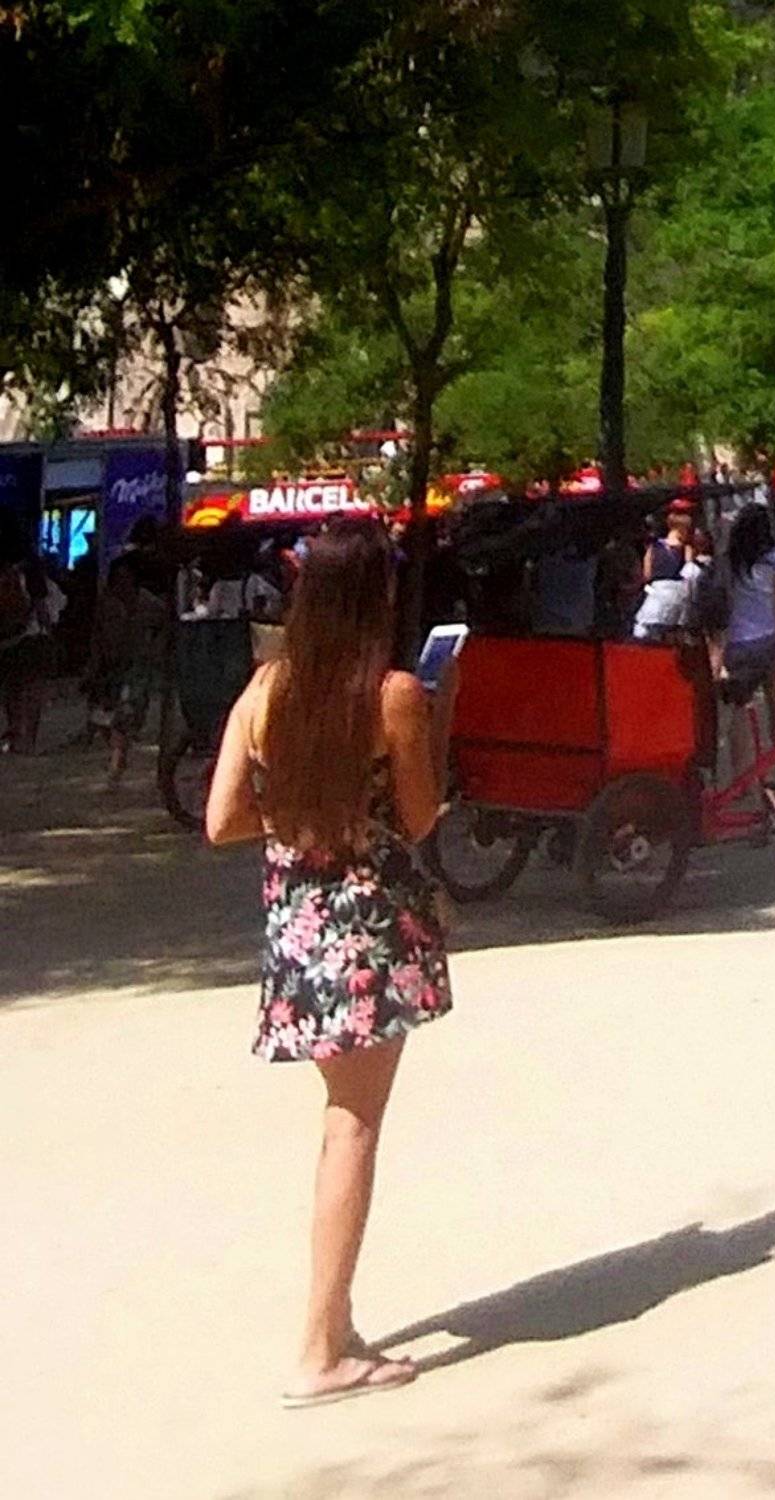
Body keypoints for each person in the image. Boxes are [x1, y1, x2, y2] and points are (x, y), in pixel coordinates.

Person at [205, 523, 456, 1408]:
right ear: (378, 597)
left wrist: (295, 817)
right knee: (352, 1127)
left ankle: (335, 1324)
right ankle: (319, 1349)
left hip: (298, 932)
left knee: (342, 1119)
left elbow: (221, 820)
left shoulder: (263, 690)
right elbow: (418, 819)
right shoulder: (393, 696)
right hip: (370, 931)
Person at [719, 502, 775, 782]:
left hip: (737, 643)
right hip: (768, 639)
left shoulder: (730, 560)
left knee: (741, 708)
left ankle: (742, 777)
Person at [85, 554, 167, 787]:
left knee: (127, 713)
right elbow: (98, 635)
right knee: (106, 717)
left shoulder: (148, 603)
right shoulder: (107, 603)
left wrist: (154, 650)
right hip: (110, 666)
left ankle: (118, 759)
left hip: (137, 665)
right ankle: (118, 755)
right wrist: (93, 665)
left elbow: (164, 626)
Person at [0, 538, 64, 754]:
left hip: (8, 640)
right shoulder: (37, 578)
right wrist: (51, 636)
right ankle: (29, 740)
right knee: (33, 691)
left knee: (11, 690)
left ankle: (14, 732)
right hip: (34, 638)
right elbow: (46, 611)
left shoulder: (7, 575)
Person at [632, 510, 695, 642]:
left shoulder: (653, 547)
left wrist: (650, 591)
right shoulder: (686, 549)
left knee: (644, 632)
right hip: (678, 595)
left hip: (656, 593)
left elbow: (646, 575)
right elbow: (690, 575)